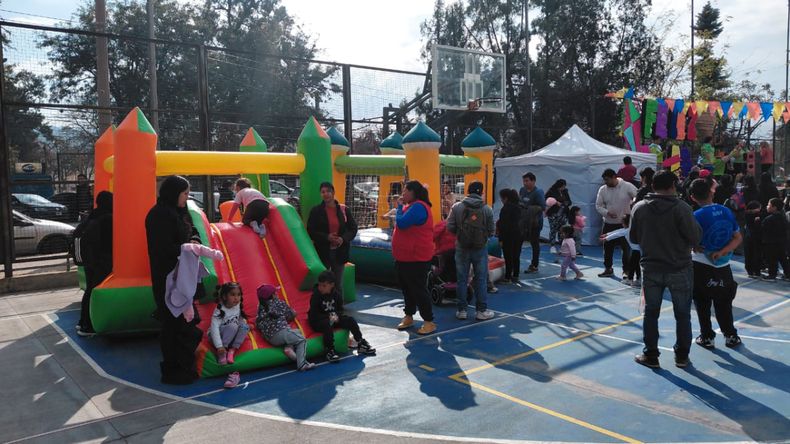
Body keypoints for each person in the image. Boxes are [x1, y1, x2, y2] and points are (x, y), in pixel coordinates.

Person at [630, 171, 702, 369]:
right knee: (682, 314)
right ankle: (681, 356)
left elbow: (634, 238)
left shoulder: (640, 208)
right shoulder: (682, 208)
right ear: (673, 185)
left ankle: (651, 355)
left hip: (651, 267)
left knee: (651, 313)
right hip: (679, 267)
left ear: (652, 185)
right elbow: (695, 237)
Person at [145, 175, 205, 384]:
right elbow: (161, 249)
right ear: (173, 193)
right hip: (168, 279)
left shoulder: (180, 212)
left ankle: (186, 366)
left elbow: (192, 231)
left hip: (184, 277)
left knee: (187, 323)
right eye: (185, 193)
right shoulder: (159, 215)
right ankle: (173, 370)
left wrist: (195, 241)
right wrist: (187, 249)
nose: (187, 198)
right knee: (173, 325)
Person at [688, 179, 742, 350]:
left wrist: (695, 246)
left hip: (701, 264)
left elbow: (688, 241)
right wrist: (723, 252)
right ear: (712, 192)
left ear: (692, 197)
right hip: (723, 265)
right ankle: (730, 335)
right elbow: (738, 237)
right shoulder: (725, 210)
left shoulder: (695, 216)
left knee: (702, 302)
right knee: (724, 302)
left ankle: (707, 337)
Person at [391, 181, 436, 335]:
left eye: (405, 191)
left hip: (416, 258)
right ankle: (409, 315)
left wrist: (398, 208)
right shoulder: (410, 206)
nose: (403, 194)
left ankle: (429, 321)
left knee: (418, 289)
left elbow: (402, 223)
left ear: (413, 192)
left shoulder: (418, 206)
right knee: (406, 288)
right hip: (404, 257)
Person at [447, 181, 495, 321]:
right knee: (480, 279)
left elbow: (449, 227)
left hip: (461, 247)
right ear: (481, 192)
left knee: (462, 279)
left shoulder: (457, 207)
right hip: (480, 248)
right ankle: (481, 311)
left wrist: (460, 235)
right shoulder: (487, 209)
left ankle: (462, 310)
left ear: (468, 191)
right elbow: (492, 230)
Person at [308, 271, 375, 362]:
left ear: (331, 285)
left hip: (333, 318)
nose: (320, 288)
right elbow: (314, 314)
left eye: (324, 286)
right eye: (320, 285)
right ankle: (329, 350)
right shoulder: (316, 296)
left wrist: (337, 316)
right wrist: (329, 317)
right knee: (327, 325)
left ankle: (360, 342)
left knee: (350, 320)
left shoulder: (336, 295)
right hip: (318, 321)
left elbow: (340, 309)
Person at [307, 182, 358, 296]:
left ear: (333, 193)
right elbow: (311, 231)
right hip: (322, 251)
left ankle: (338, 308)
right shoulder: (316, 211)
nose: (326, 194)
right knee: (322, 282)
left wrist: (343, 239)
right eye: (323, 192)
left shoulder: (344, 210)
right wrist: (326, 237)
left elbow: (353, 228)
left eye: (328, 191)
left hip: (339, 252)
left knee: (337, 283)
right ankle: (322, 307)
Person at [76, 191, 113, 337]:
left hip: (90, 261)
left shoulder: (93, 215)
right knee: (96, 292)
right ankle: (89, 325)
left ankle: (83, 321)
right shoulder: (108, 218)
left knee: (90, 291)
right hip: (102, 260)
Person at [255, 284, 316, 371]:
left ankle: (288, 348)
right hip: (280, 332)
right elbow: (291, 314)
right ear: (273, 295)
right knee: (301, 340)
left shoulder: (260, 307)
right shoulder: (279, 303)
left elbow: (258, 323)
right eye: (275, 292)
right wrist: (293, 313)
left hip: (269, 337)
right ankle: (302, 364)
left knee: (297, 332)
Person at [595, 169, 637, 278]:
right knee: (607, 247)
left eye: (607, 180)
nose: (606, 182)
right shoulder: (603, 189)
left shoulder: (627, 186)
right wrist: (607, 212)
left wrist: (633, 204)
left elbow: (637, 196)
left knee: (626, 248)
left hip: (624, 224)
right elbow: (598, 205)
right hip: (609, 223)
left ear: (614, 177)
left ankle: (626, 270)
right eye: (604, 180)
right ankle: (608, 268)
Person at [209, 282, 250, 366]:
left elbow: (239, 317)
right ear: (224, 296)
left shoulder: (237, 305)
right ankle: (222, 352)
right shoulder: (219, 310)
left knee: (245, 327)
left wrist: (244, 324)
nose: (236, 298)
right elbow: (214, 329)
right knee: (233, 326)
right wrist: (219, 346)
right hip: (217, 337)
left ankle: (232, 350)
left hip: (230, 336)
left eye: (238, 295)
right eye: (233, 295)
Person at [600, 214, 641, 286]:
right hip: (638, 250)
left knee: (632, 265)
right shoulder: (629, 229)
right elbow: (617, 231)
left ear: (625, 223)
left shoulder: (627, 231)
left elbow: (617, 234)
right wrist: (606, 234)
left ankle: (630, 279)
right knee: (636, 264)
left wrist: (606, 239)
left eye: (622, 222)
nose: (621, 224)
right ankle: (639, 279)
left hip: (637, 250)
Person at [519, 172, 546, 273]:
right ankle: (514, 264)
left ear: (533, 181)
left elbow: (542, 207)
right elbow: (520, 201)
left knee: (534, 243)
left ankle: (534, 265)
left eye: (527, 181)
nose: (525, 183)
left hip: (535, 222)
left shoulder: (538, 192)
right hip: (523, 221)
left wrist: (528, 208)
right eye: (524, 181)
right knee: (519, 241)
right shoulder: (522, 190)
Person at [761, 197, 790, 282]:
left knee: (772, 259)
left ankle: (772, 275)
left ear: (774, 207)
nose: (767, 206)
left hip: (771, 243)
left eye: (769, 205)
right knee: (783, 259)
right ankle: (788, 274)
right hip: (782, 242)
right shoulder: (783, 217)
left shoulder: (769, 219)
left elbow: (762, 229)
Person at [497, 188, 522, 283]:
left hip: (508, 236)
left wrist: (500, 239)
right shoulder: (518, 207)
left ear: (505, 198)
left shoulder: (505, 209)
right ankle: (516, 275)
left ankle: (507, 277)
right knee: (516, 255)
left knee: (508, 256)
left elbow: (503, 225)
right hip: (518, 234)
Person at [545, 179, 572, 254]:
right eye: (562, 186)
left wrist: (564, 203)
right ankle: (552, 245)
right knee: (553, 229)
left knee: (562, 230)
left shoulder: (565, 191)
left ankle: (562, 246)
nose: (563, 188)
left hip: (563, 213)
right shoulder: (551, 191)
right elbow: (546, 200)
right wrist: (555, 202)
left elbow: (569, 201)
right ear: (558, 185)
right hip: (553, 214)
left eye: (564, 186)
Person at [743, 201, 763, 278]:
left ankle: (750, 271)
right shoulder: (757, 215)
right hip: (755, 237)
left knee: (749, 254)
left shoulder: (746, 214)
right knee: (756, 254)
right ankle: (756, 271)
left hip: (748, 237)